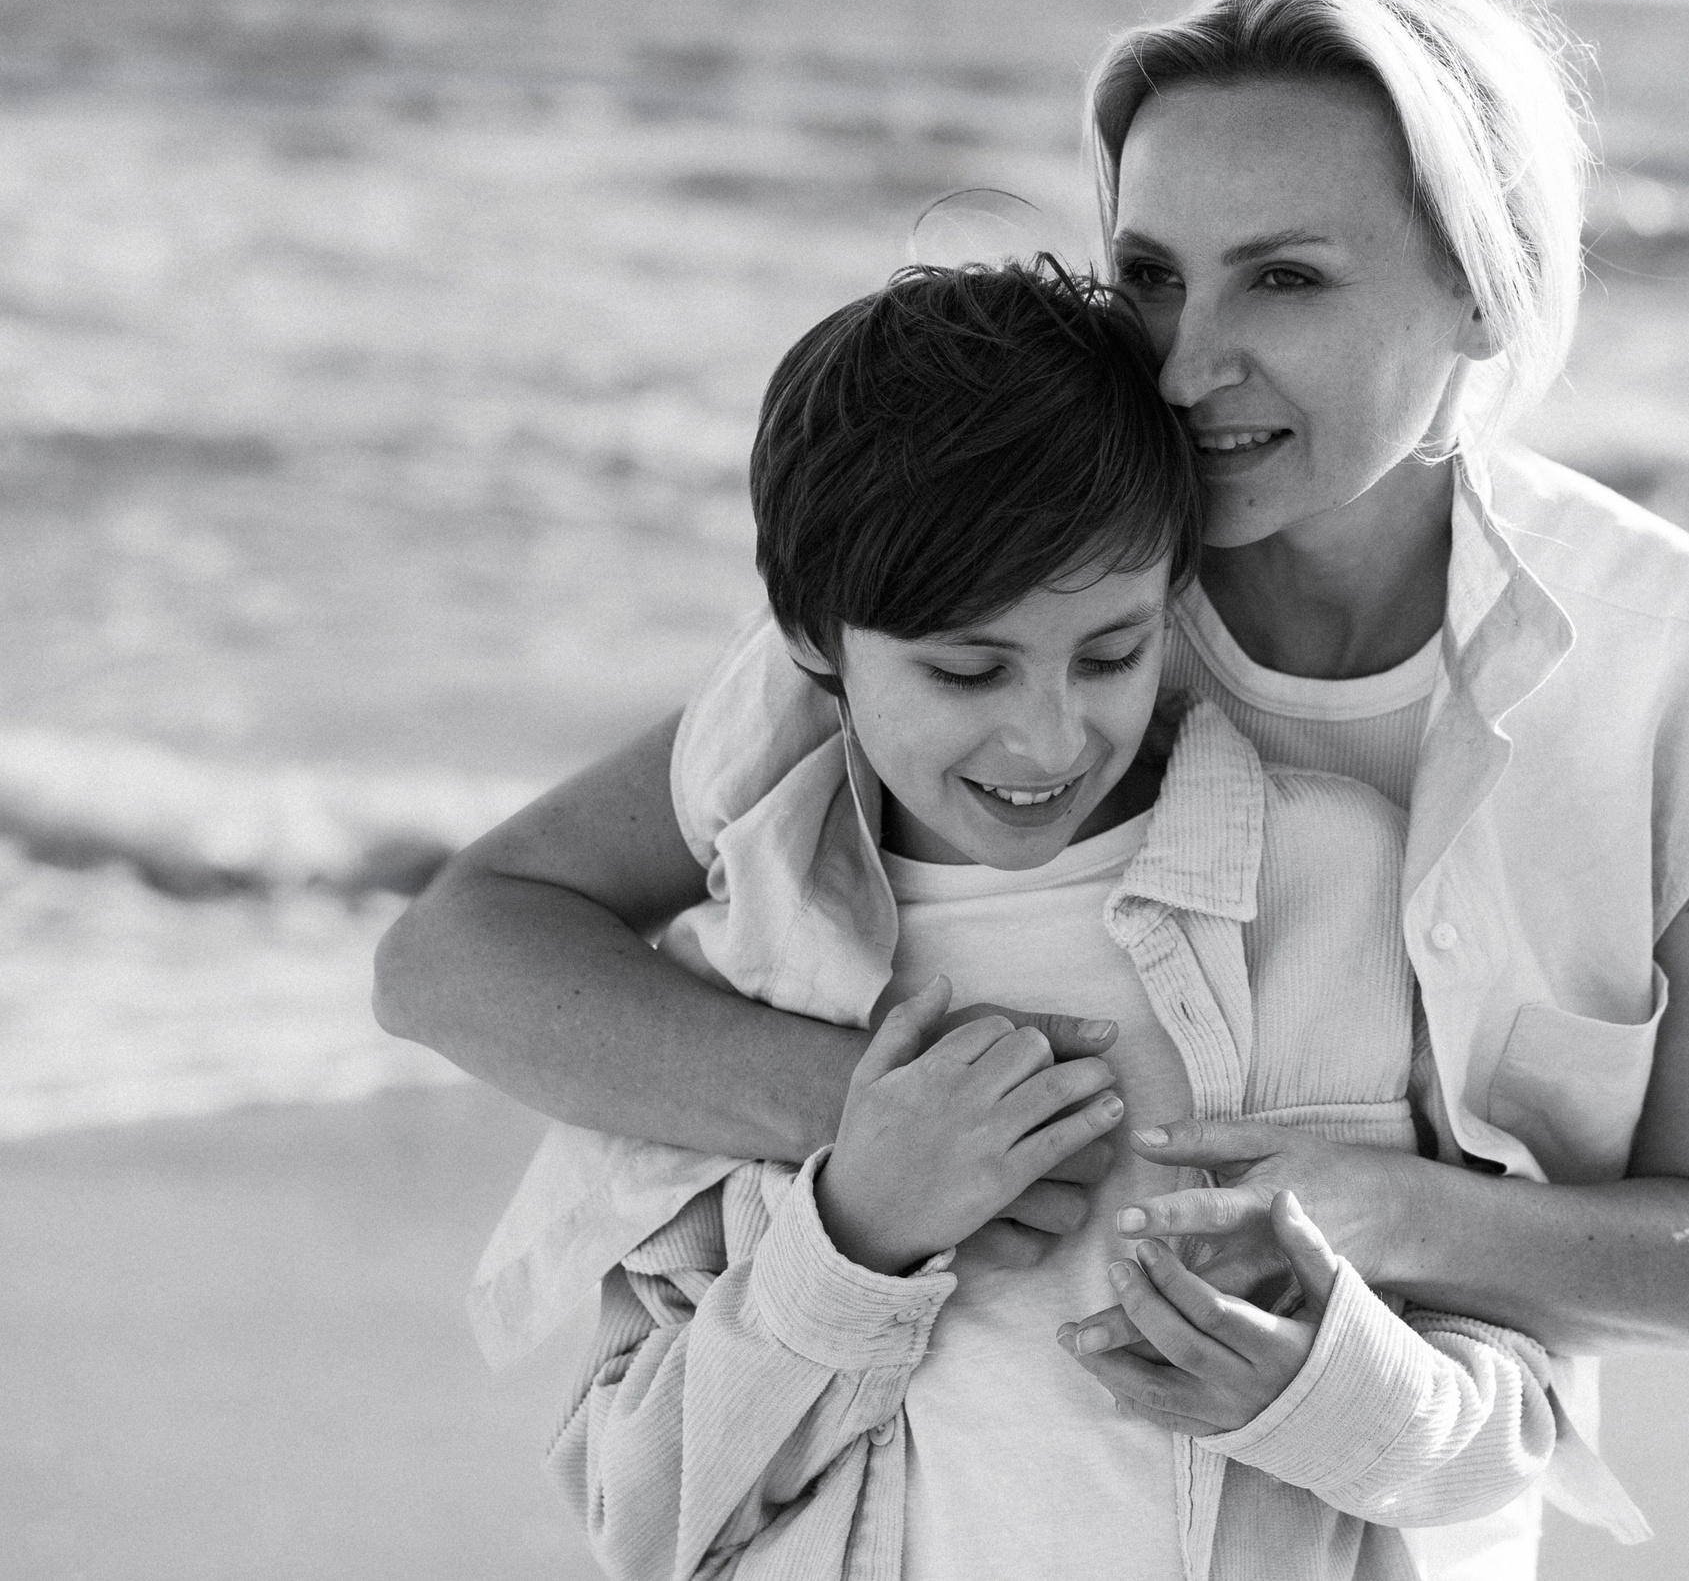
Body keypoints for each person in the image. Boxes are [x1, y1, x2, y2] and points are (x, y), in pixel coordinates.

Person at [378, 0, 1689, 1578]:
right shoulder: (1025, 583)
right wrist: (889, 1131)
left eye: (1285, 279)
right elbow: (457, 954)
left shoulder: (1680, 671)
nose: (1188, 364)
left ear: (1482, 287)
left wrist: (1394, 1212)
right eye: (1150, 274)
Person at [489, 259, 1565, 1581]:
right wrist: (856, 1237)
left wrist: (1317, 1394)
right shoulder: (738, 978)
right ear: (813, 638)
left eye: (1110, 653)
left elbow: (1514, 1431)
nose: (1050, 738)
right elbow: (641, 1521)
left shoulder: (1347, 887)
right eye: (965, 670)